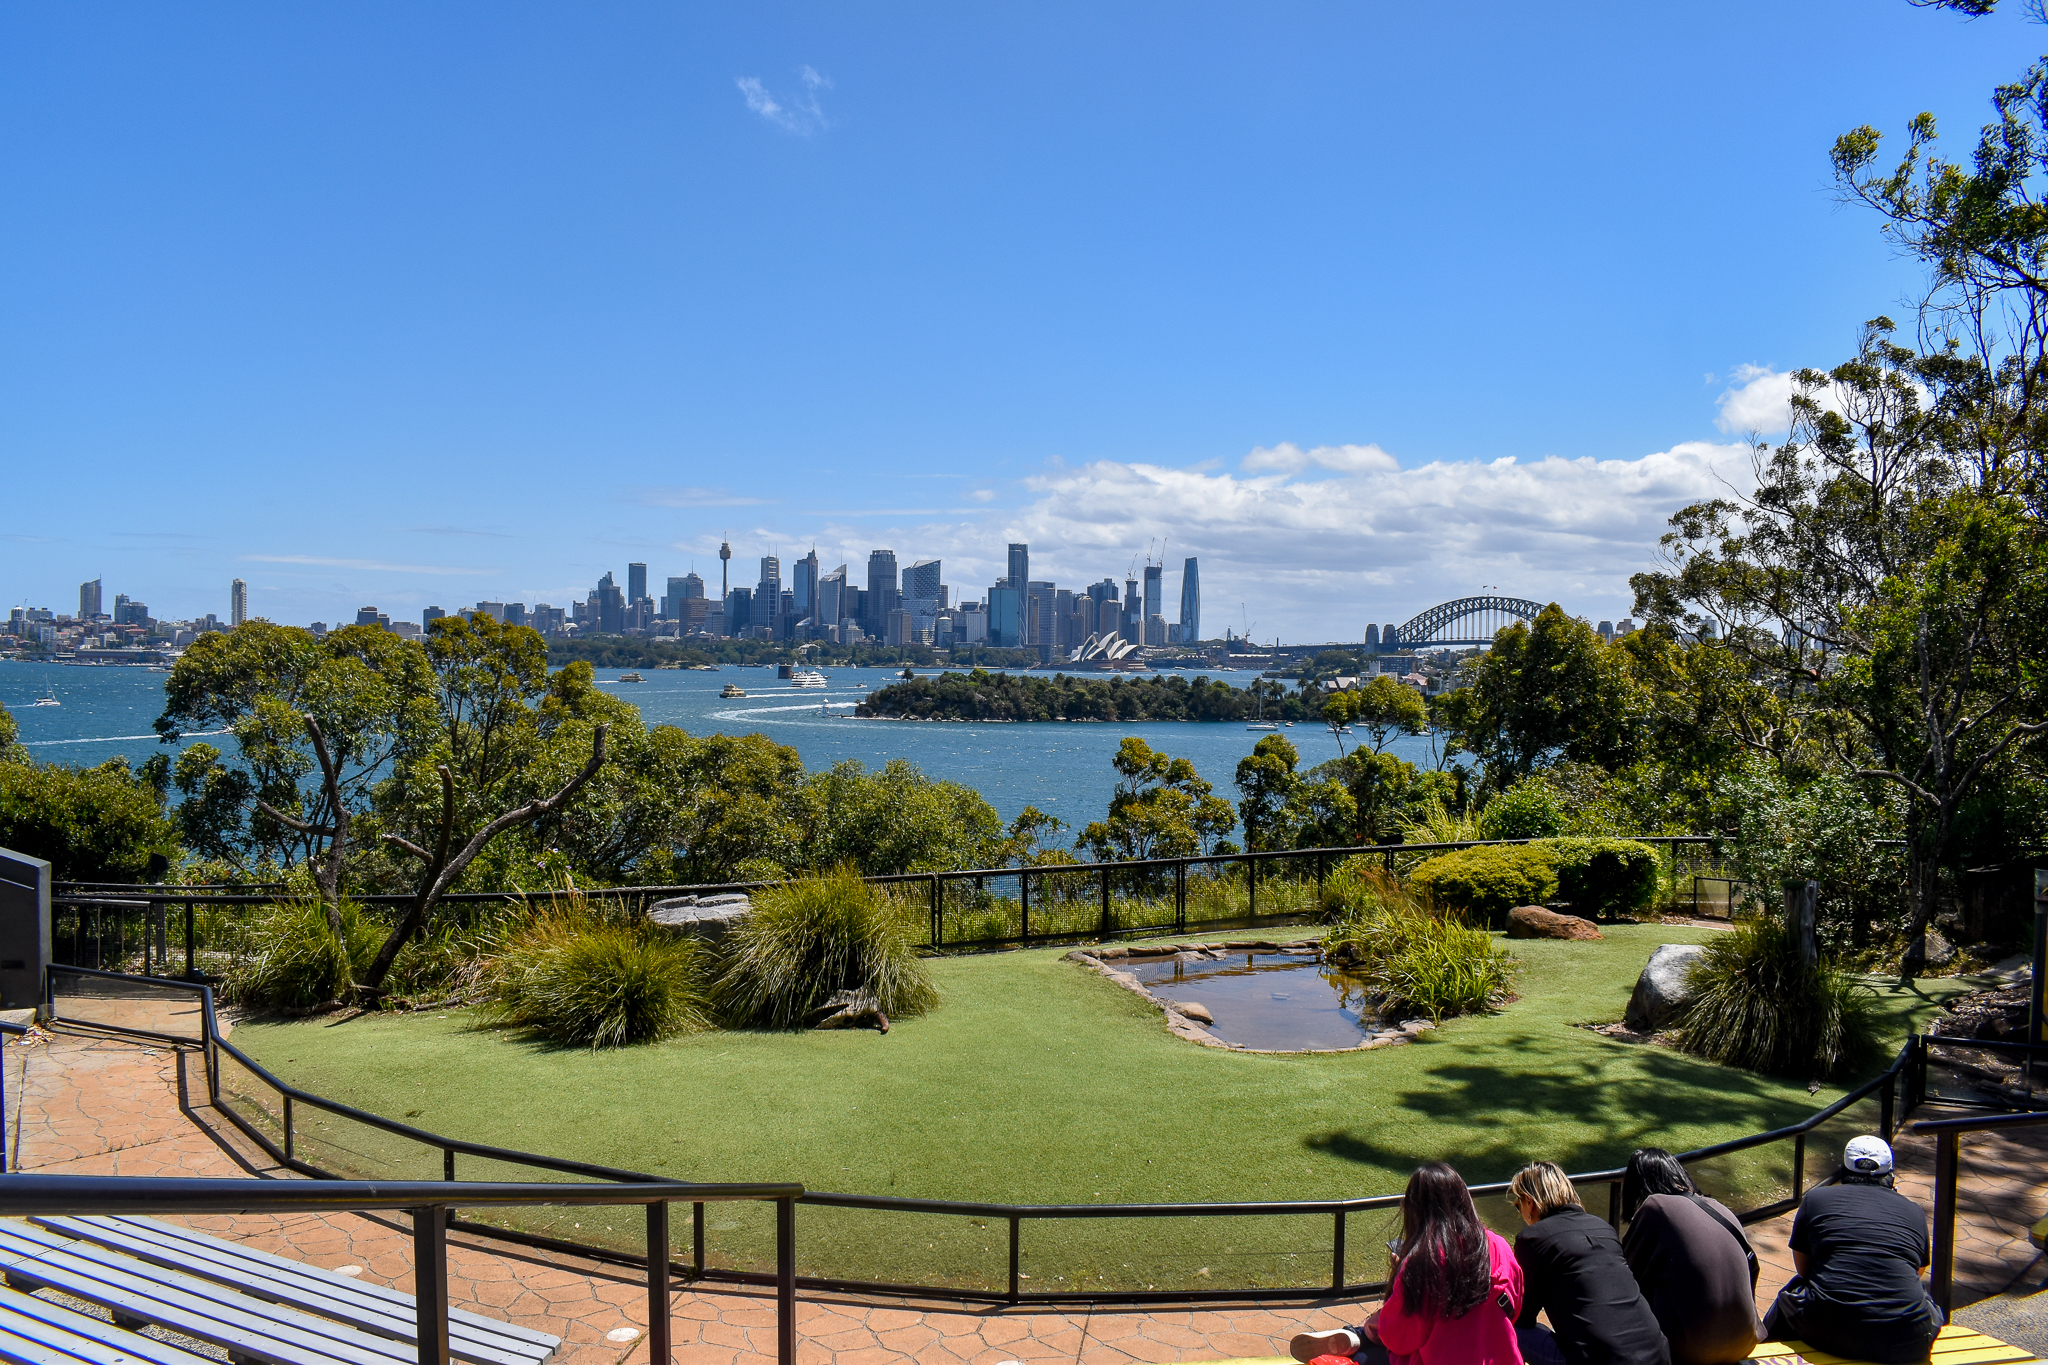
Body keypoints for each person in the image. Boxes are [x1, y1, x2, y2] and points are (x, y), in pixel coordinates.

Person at [1290, 1161, 1524, 1365]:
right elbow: (1514, 1309)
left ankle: (1355, 1336)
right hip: (1502, 1358)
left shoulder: (1423, 1263)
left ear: (1416, 1209)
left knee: (1364, 1356)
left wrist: (1400, 1277)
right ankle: (1356, 1335)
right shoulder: (1500, 1245)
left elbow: (1398, 1338)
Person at [1762, 1136, 1943, 1365]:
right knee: (1926, 1301)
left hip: (1828, 1333)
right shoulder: (1914, 1211)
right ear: (1890, 1175)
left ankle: (1756, 1352)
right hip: (1905, 1342)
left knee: (1791, 1294)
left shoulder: (1816, 1198)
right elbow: (1917, 1272)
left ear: (1843, 1170)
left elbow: (1804, 1271)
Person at [1510, 1160, 1669, 1365]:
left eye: (1518, 1204)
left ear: (1530, 1202)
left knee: (1507, 1325)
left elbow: (1522, 1317)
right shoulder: (1602, 1227)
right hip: (1657, 1353)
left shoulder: (1533, 1238)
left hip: (1599, 1360)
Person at [1618, 1147, 1761, 1365]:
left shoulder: (1656, 1206)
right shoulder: (1720, 1208)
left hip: (1691, 1350)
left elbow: (1626, 1275)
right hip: (1744, 1342)